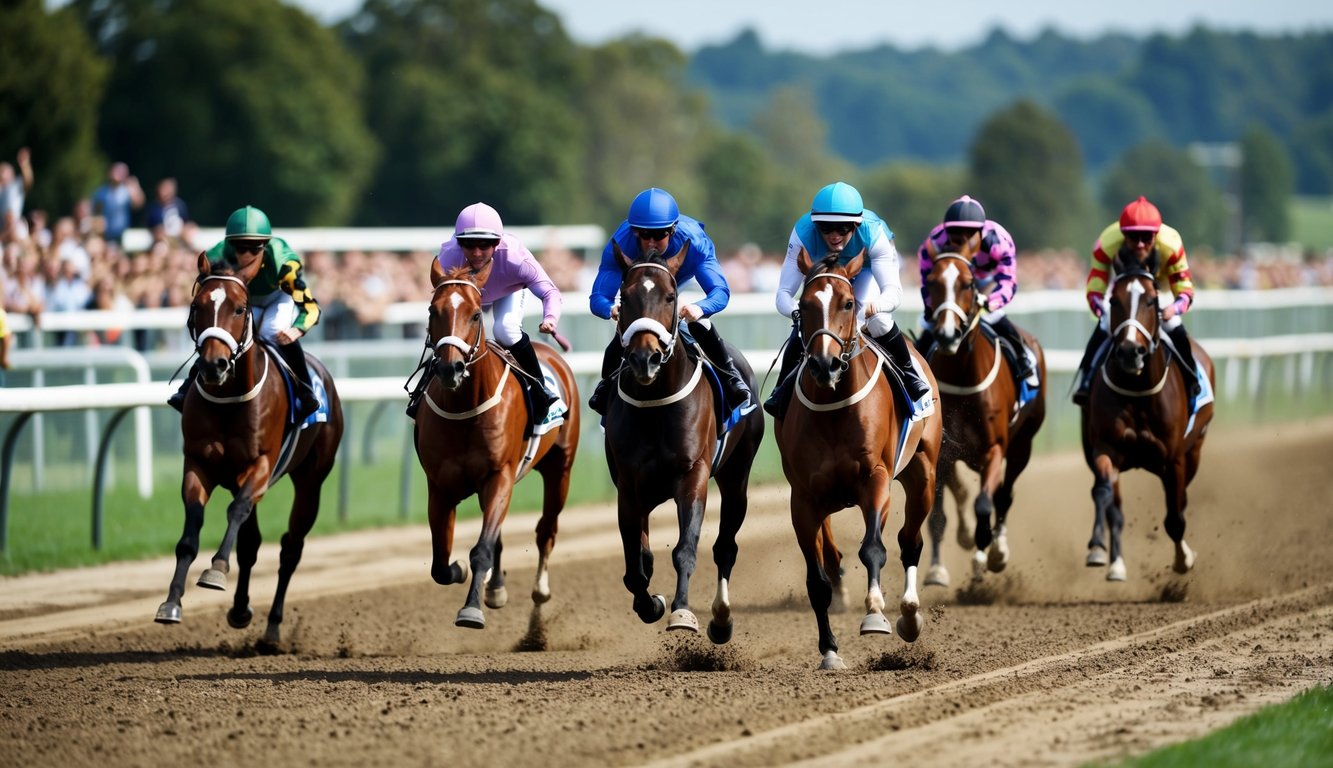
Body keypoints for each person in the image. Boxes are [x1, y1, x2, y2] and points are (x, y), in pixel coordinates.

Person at [766, 181, 933, 420]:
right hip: (823, 274)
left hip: (863, 271)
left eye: (843, 228)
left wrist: (877, 306)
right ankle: (782, 387)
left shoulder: (873, 233)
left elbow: (893, 292)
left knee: (877, 320)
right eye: (825, 228)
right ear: (815, 225)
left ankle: (910, 377)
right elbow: (783, 293)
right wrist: (798, 312)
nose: (834, 236)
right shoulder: (803, 233)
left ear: (856, 224)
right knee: (806, 324)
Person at [586, 187, 752, 416]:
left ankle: (731, 378)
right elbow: (598, 298)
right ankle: (606, 385)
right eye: (644, 235)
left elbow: (719, 291)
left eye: (660, 234)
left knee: (699, 323)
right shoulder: (620, 244)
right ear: (634, 232)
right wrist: (611, 309)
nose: (652, 242)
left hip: (679, 281)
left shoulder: (694, 241)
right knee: (628, 326)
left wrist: (699, 308)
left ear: (672, 230)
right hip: (641, 286)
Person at [405, 202, 562, 420]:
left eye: (485, 245)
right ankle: (421, 391)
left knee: (505, 330)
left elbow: (550, 292)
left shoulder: (516, 258)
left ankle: (540, 387)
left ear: (497, 243)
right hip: (468, 297)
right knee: (451, 334)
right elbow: (443, 302)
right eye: (469, 245)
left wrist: (550, 318)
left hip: (508, 292)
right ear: (459, 243)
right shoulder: (449, 257)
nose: (477, 253)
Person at [167, 205, 322, 418]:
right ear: (231, 245)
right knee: (222, 333)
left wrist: (297, 329)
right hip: (243, 300)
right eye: (240, 248)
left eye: (254, 248)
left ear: (265, 246)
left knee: (271, 330)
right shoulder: (217, 256)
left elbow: (310, 306)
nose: (246, 255)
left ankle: (305, 390)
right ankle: (187, 387)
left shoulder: (283, 262)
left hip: (277, 297)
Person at [1072, 195, 1201, 405]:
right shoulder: (1105, 244)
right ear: (1123, 235)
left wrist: (1174, 309)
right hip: (1124, 292)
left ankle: (1191, 382)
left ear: (1156, 235)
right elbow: (1095, 290)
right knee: (1103, 327)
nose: (1140, 244)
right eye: (1133, 237)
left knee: (1176, 329)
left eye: (1147, 237)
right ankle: (1086, 382)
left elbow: (1185, 290)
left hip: (1159, 291)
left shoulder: (1171, 244)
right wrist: (1102, 311)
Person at [915, 195, 1034, 380]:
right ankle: (915, 368)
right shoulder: (934, 243)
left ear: (981, 231)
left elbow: (1008, 282)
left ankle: (1022, 358)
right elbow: (928, 282)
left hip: (988, 281)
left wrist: (989, 302)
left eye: (970, 234)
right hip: (954, 283)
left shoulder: (999, 241)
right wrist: (932, 309)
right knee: (929, 323)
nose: (962, 239)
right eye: (955, 233)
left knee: (994, 316)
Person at [91, 162, 144, 251]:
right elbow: (96, 214)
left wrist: (135, 186)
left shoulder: (127, 191)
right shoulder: (102, 192)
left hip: (124, 233)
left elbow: (138, 205)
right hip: (105, 235)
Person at [145, 177, 193, 247]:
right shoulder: (154, 208)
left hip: (179, 239)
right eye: (164, 189)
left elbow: (186, 223)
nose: (166, 193)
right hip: (161, 241)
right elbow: (152, 226)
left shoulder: (180, 205)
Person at [0, 148, 34, 244]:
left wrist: (25, 165)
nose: (2, 174)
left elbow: (28, 181)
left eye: (4, 171)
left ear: (12, 174)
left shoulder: (15, 185)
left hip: (14, 227)